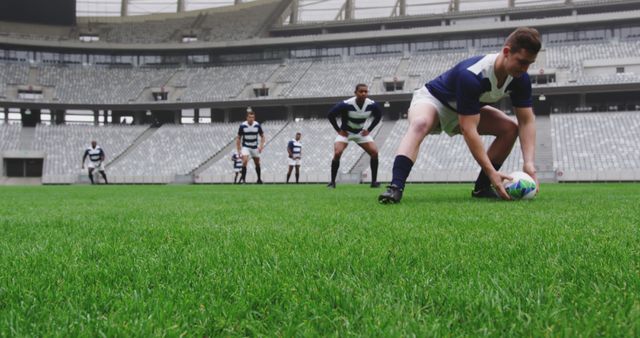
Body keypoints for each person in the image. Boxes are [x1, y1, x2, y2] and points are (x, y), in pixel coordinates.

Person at [379, 27, 541, 203]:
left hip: (463, 109)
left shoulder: (520, 79)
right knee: (420, 123)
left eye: (529, 64)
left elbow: (526, 120)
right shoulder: (472, 75)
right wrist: (491, 171)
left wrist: (529, 164)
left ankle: (482, 188)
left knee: (509, 129)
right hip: (434, 101)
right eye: (522, 62)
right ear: (507, 52)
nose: (525, 69)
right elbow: (468, 128)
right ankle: (395, 188)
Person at [327, 83, 382, 188]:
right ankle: (332, 182)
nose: (363, 93)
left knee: (374, 152)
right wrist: (338, 130)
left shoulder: (372, 104)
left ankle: (374, 182)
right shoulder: (346, 104)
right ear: (355, 92)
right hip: (346, 133)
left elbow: (378, 116)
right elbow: (330, 115)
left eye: (366, 91)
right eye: (361, 91)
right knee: (337, 153)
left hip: (360, 133)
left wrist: (369, 130)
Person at [236, 110, 265, 184]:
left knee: (257, 163)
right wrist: (239, 149)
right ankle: (243, 180)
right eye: (250, 117)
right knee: (245, 161)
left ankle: (259, 180)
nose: (251, 119)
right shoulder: (242, 125)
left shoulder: (257, 125)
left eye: (253, 117)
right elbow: (239, 138)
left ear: (254, 118)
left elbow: (262, 136)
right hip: (246, 146)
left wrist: (261, 146)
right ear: (247, 118)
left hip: (255, 147)